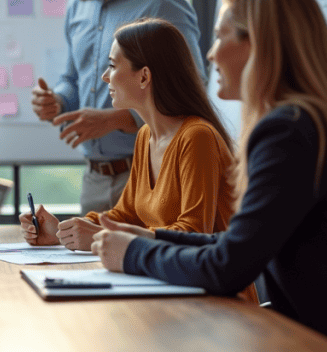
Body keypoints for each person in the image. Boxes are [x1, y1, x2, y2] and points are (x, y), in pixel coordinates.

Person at [91, 0, 327, 352]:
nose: (211, 54)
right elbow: (236, 244)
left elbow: (227, 268)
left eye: (221, 36)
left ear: (256, 45)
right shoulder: (307, 121)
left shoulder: (290, 133)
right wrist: (152, 239)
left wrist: (133, 254)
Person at [31, 0, 205, 214]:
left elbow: (193, 94)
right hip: (93, 179)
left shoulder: (163, 5)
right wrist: (57, 101)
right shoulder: (78, 5)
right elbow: (73, 78)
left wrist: (116, 120)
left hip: (148, 175)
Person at [21, 18, 236, 252]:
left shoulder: (197, 137)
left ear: (144, 76)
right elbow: (127, 215)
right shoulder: (145, 136)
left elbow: (195, 234)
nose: (105, 76)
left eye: (112, 66)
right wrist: (63, 231)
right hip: (166, 279)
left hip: (212, 288)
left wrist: (100, 235)